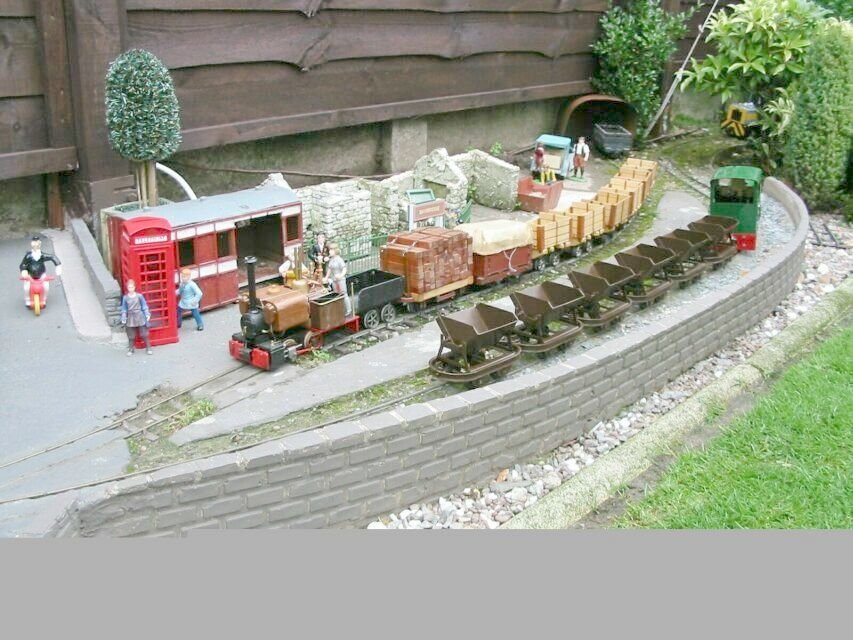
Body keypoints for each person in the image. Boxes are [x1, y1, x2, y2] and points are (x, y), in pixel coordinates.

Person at [19, 235, 62, 307]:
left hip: (41, 275)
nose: (36, 246)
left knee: (46, 286)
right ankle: (28, 300)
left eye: (37, 244)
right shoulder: (28, 256)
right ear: (31, 244)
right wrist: (24, 271)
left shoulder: (42, 256)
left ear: (40, 245)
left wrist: (58, 265)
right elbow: (23, 264)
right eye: (34, 243)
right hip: (30, 275)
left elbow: (52, 257)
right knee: (27, 287)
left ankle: (43, 299)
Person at [120, 279, 152, 356]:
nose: (130, 289)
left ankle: (148, 347)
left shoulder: (139, 296)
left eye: (132, 287)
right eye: (129, 287)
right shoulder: (125, 298)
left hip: (140, 316)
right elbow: (124, 309)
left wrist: (147, 314)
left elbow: (144, 306)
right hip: (131, 316)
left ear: (134, 287)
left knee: (144, 334)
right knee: (131, 335)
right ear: (127, 288)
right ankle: (131, 348)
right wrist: (123, 317)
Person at [324, 245, 352, 317]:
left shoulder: (339, 259)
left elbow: (344, 269)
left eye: (331, 250)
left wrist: (341, 275)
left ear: (335, 251)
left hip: (340, 280)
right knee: (336, 294)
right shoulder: (331, 259)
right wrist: (326, 277)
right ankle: (339, 310)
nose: (330, 251)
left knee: (344, 294)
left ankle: (349, 310)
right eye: (330, 250)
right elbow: (330, 269)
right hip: (334, 279)